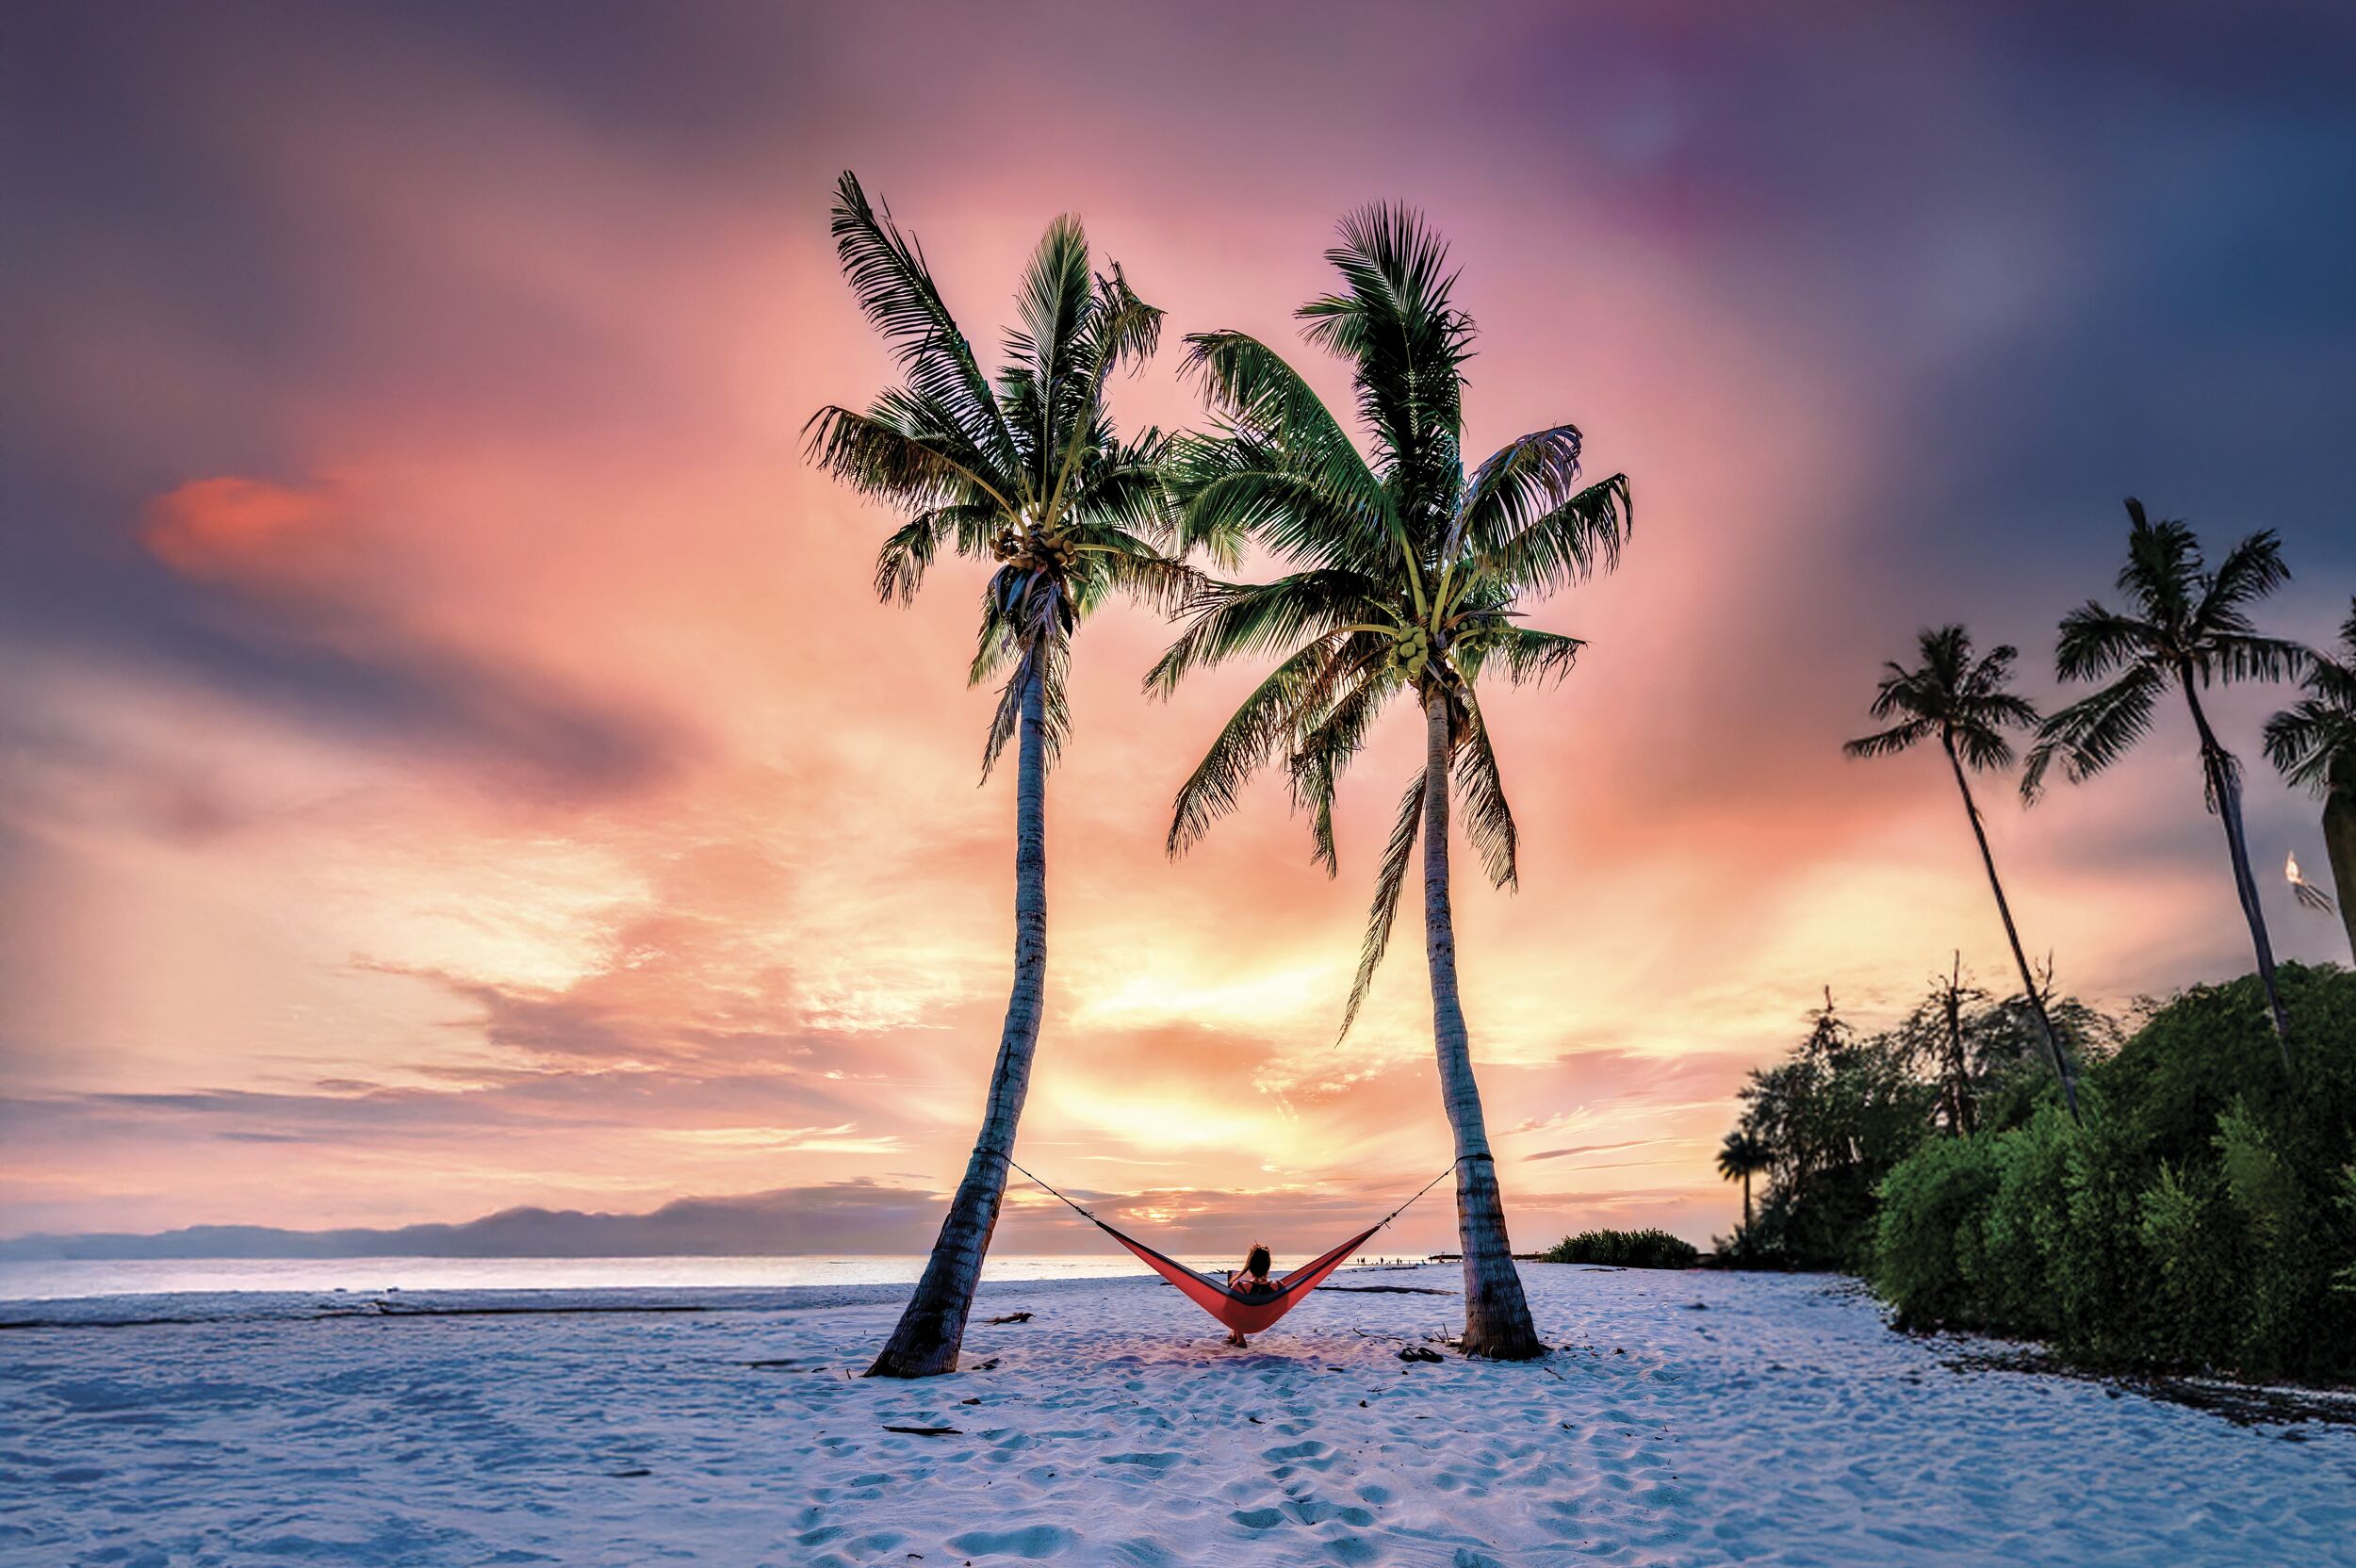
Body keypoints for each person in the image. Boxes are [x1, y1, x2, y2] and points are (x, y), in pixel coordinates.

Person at [1224, 1242, 1276, 1347]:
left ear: (1249, 1265)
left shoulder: (1240, 1286)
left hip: (1244, 1324)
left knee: (1235, 1305)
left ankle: (1239, 1337)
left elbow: (1227, 1309)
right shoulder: (1278, 1286)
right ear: (1268, 1266)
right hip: (1263, 1322)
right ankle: (1235, 1334)